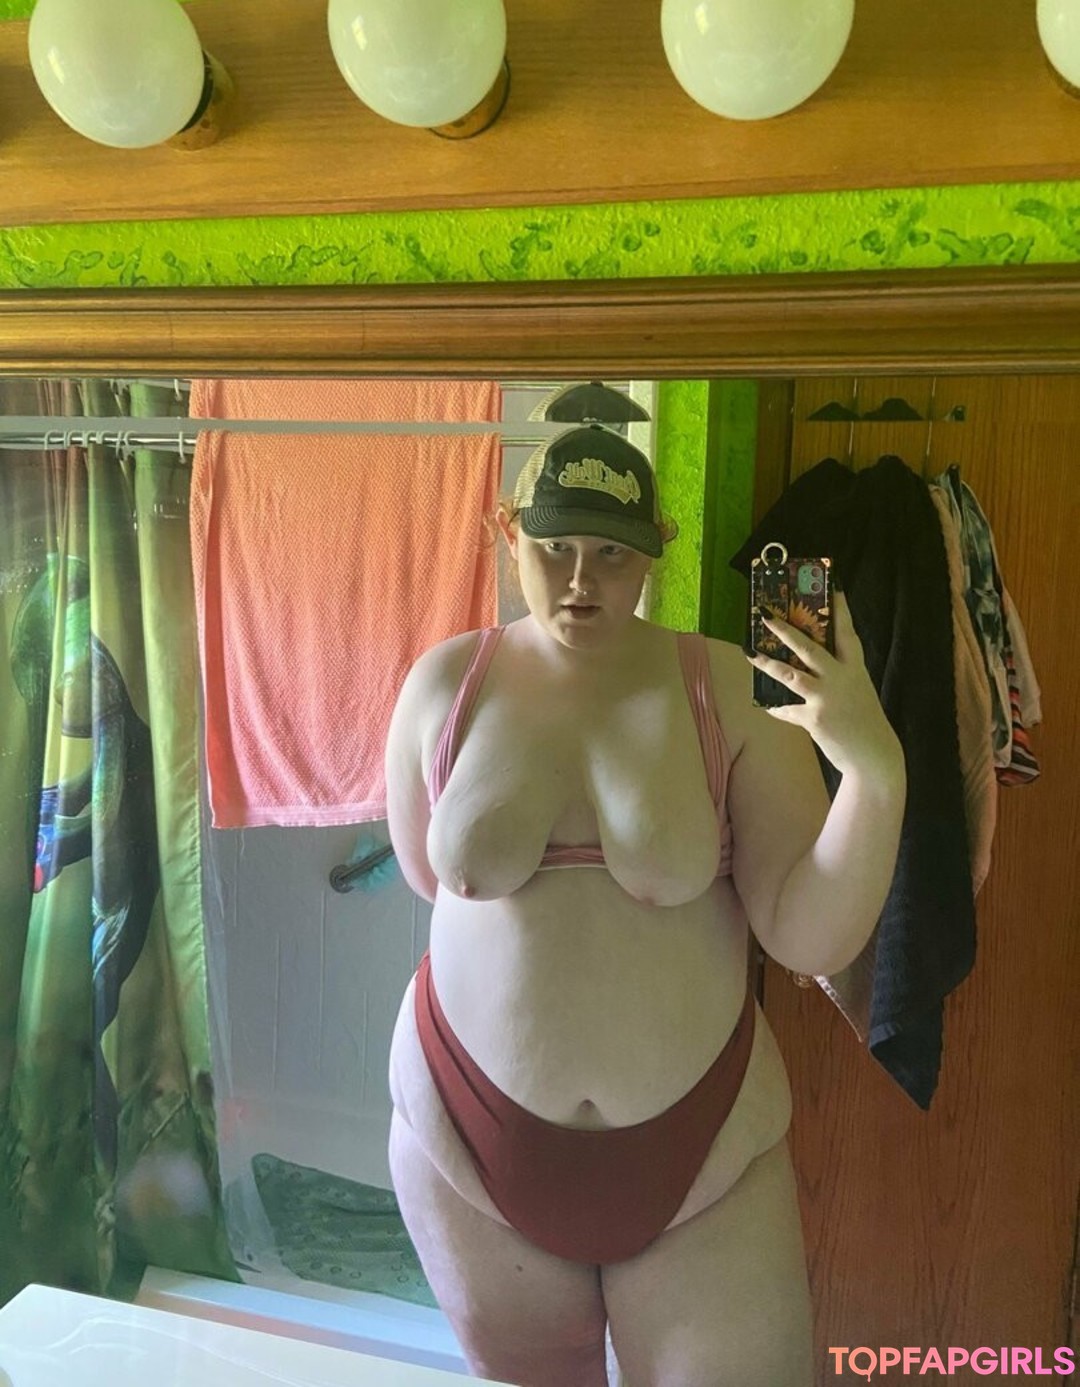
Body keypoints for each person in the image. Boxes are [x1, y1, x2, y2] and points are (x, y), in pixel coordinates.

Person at [384, 423, 905, 1387]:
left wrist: (875, 771)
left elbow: (807, 933)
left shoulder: (732, 688)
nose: (582, 580)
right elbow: (427, 876)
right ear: (508, 531)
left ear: (657, 546)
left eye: (614, 554)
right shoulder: (442, 684)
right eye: (555, 548)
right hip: (468, 1143)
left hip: (705, 1159)